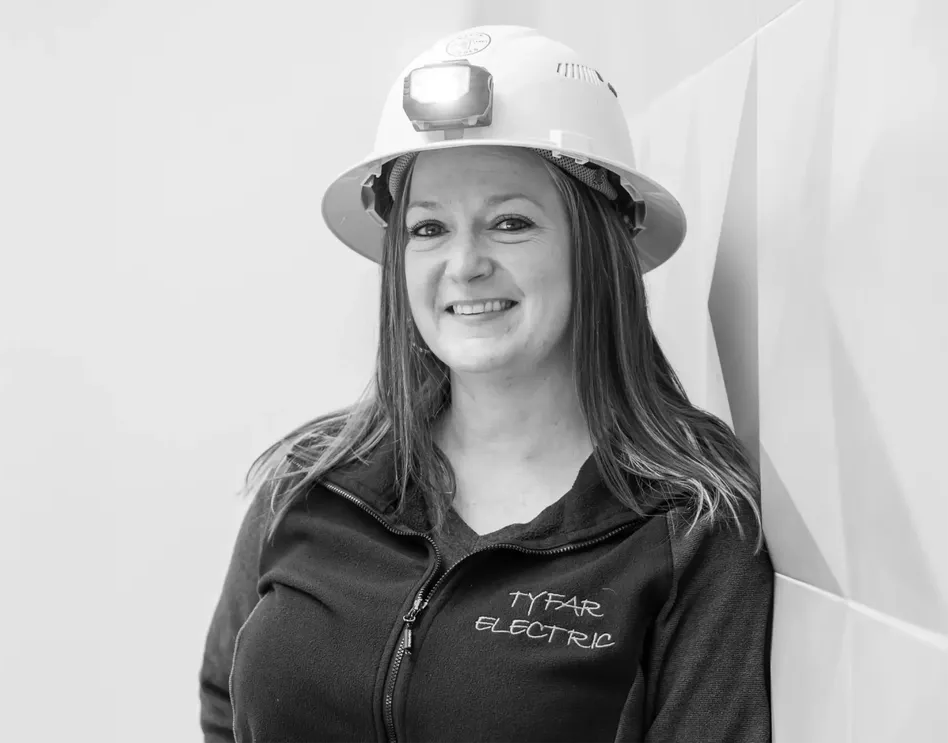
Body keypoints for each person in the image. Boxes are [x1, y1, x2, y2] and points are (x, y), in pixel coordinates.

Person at [198, 25, 773, 743]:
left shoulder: (688, 527)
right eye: (428, 228)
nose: (464, 264)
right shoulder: (310, 482)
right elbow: (225, 704)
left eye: (509, 222)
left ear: (594, 246)